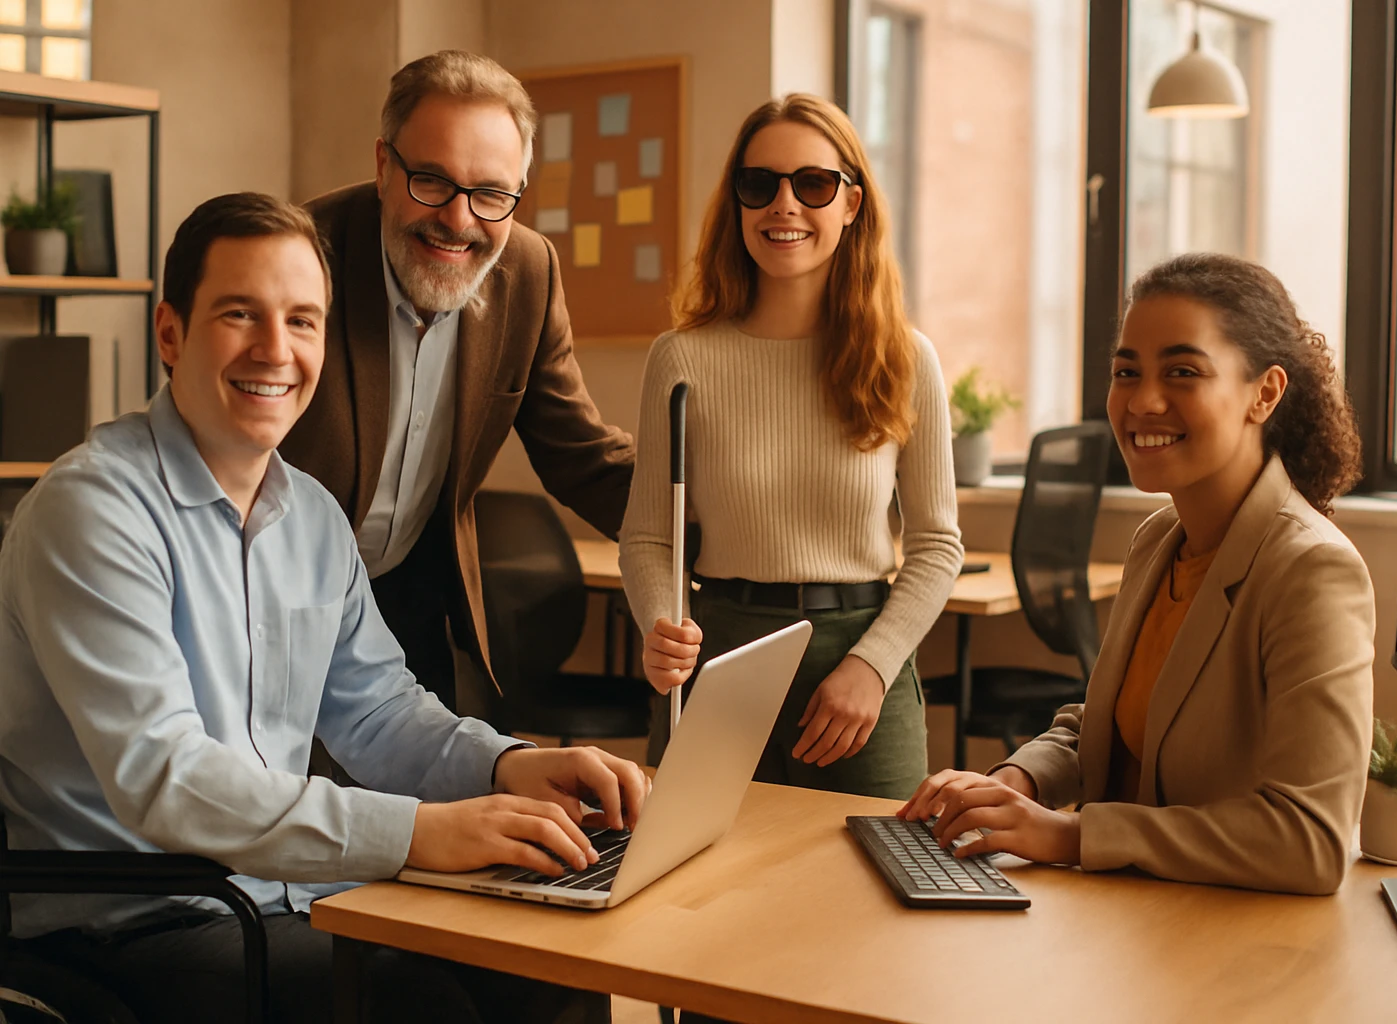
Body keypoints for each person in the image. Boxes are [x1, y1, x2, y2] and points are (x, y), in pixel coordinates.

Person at [0, 193, 647, 1023]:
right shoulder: (92, 510)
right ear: (170, 333)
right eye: (240, 314)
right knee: (414, 1004)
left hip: (289, 893)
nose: (276, 350)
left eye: (302, 321)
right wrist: (420, 833)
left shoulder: (310, 515)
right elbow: (168, 780)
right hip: (136, 920)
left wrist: (506, 766)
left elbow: (377, 711)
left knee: (550, 965)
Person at [902, 252, 1374, 896]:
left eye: (1183, 372)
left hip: (1216, 933)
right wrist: (1016, 782)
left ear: (1264, 394)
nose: (1143, 401)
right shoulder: (1159, 540)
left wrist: (1068, 836)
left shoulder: (1311, 569)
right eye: (1127, 372)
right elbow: (1109, 723)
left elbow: (1309, 841)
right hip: (1123, 918)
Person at [619, 94, 963, 800]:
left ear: (851, 203)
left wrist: (873, 666)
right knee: (696, 869)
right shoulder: (681, 358)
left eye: (813, 184)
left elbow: (937, 545)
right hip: (719, 653)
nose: (784, 205)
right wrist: (660, 625)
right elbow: (649, 538)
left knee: (874, 867)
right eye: (760, 184)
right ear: (737, 200)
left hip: (859, 660)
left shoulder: (905, 358)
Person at [281, 50, 635, 713]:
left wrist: (723, 521)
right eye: (432, 181)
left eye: (491, 194)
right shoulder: (299, 256)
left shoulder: (529, 271)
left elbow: (583, 457)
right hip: (275, 599)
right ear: (383, 166)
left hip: (408, 600)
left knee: (427, 775)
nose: (459, 219)